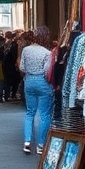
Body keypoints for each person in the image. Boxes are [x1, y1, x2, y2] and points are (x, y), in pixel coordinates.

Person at [19, 25, 53, 154]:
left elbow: (22, 67)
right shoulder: (47, 53)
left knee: (30, 113)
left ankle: (27, 142)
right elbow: (47, 71)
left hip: (29, 81)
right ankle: (41, 145)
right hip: (43, 82)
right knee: (44, 115)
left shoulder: (26, 50)